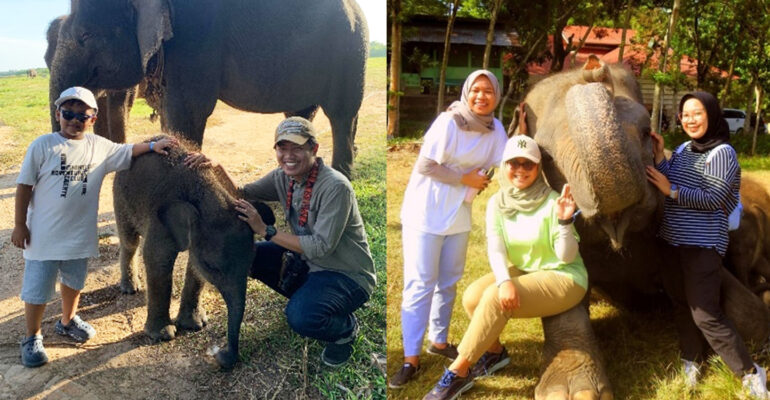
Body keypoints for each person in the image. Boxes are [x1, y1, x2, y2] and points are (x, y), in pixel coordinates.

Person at [184, 117, 375, 368]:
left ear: (314, 149)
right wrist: (217, 167)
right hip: (308, 263)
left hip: (345, 274)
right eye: (282, 148)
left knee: (300, 316)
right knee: (246, 258)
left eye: (297, 148)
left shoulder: (336, 188)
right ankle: (311, 296)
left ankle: (344, 330)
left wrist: (265, 230)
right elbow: (242, 192)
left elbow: (321, 246)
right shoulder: (282, 178)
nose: (288, 155)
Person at [12, 86, 178, 368]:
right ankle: (32, 336)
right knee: (38, 288)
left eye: (81, 115)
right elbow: (24, 186)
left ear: (93, 118)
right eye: (68, 113)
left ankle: (67, 321)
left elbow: (127, 150)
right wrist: (19, 225)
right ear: (58, 114)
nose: (74, 119)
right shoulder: (42, 145)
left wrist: (152, 146)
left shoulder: (99, 147)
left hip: (78, 234)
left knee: (74, 282)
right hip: (43, 235)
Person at [422, 135, 588, 399]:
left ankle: (459, 371)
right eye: (514, 163)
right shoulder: (498, 203)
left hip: (564, 276)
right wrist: (505, 281)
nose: (520, 170)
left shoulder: (552, 202)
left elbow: (566, 257)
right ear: (504, 165)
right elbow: (496, 247)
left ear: (538, 168)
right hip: (528, 270)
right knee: (473, 297)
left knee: (494, 299)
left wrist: (565, 222)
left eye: (528, 164)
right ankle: (494, 353)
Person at [389, 70, 508, 389]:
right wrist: (465, 178)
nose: (481, 96)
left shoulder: (496, 129)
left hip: (459, 214)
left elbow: (501, 162)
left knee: (449, 281)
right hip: (426, 212)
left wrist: (484, 180)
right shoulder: (449, 122)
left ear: (497, 95)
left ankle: (438, 341)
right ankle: (410, 358)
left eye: (488, 91)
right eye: (476, 90)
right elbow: (425, 166)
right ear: (466, 92)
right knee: (420, 283)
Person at [646, 91, 769, 397]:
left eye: (697, 113)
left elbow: (713, 199)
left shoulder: (723, 154)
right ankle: (692, 360)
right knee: (681, 305)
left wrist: (671, 191)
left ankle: (751, 372)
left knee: (706, 314)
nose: (690, 120)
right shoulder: (686, 149)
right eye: (685, 114)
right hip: (670, 242)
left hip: (702, 245)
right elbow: (669, 180)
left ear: (712, 115)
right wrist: (661, 158)